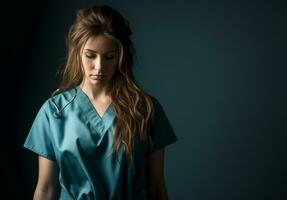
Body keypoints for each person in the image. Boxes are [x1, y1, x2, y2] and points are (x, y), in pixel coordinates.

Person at [23, 4, 178, 200]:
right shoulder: (54, 112)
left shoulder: (145, 109)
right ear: (77, 52)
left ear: (121, 57)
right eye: (90, 56)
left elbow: (156, 187)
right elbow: (45, 190)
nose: (99, 66)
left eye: (109, 57)